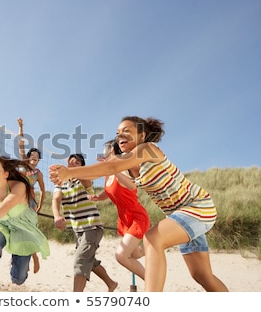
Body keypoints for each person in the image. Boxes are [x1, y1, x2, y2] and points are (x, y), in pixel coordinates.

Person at [49, 116, 229, 292]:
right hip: (179, 217)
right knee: (202, 276)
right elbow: (105, 169)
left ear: (142, 136)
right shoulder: (127, 167)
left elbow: (110, 167)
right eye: (118, 133)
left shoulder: (148, 149)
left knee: (152, 239)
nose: (120, 135)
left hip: (196, 207)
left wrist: (69, 172)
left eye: (127, 131)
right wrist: (69, 172)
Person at [0, 155, 50, 292]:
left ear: (6, 173)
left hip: (24, 228)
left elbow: (8, 204)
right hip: (2, 225)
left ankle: (23, 259)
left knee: (18, 279)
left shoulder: (19, 186)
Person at [51, 153, 118, 292]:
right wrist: (57, 216)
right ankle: (111, 283)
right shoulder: (61, 184)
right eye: (71, 161)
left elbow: (85, 178)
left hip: (92, 226)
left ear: (82, 166)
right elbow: (56, 199)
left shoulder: (85, 179)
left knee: (81, 260)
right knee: (90, 260)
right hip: (77, 229)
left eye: (77, 162)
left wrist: (72, 170)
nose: (73, 163)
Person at [88, 139, 149, 281]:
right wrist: (97, 197)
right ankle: (156, 244)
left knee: (121, 255)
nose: (104, 154)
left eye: (106, 150)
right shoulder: (107, 174)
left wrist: (114, 170)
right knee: (137, 254)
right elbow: (109, 191)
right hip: (124, 220)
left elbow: (133, 186)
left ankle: (151, 283)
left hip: (136, 216)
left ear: (113, 152)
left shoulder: (124, 170)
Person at [17, 117, 46, 273]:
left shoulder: (38, 173)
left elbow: (43, 190)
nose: (34, 156)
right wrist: (21, 127)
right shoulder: (22, 163)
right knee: (17, 230)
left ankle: (33, 256)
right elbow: (21, 143)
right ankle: (22, 259)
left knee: (28, 230)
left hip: (30, 203)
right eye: (32, 154)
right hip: (15, 200)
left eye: (37, 156)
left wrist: (40, 206)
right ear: (28, 157)